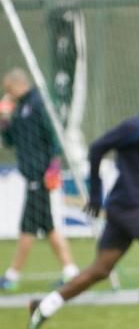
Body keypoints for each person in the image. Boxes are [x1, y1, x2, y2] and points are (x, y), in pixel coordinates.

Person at [27, 78, 139, 329]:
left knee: (100, 270)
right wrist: (95, 196)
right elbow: (97, 148)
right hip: (127, 206)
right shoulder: (138, 126)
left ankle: (43, 307)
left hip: (126, 208)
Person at [0, 68, 79, 291]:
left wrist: (54, 165)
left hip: (41, 175)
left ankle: (12, 275)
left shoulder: (38, 103)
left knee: (28, 227)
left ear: (17, 84)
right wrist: (4, 118)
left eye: (8, 90)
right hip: (31, 176)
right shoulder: (20, 109)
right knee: (48, 226)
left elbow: (54, 134)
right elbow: (9, 141)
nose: (8, 94)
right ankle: (70, 270)